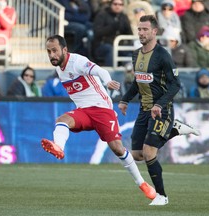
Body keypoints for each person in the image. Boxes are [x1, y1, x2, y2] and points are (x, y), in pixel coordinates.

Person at [42, 34, 157, 201]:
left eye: (54, 50)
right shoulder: (59, 69)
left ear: (64, 50)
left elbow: (99, 70)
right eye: (49, 51)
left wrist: (108, 81)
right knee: (62, 120)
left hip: (102, 110)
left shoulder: (77, 62)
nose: (52, 55)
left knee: (117, 148)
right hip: (83, 111)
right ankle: (58, 147)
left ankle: (142, 183)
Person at [118, 15, 200, 206]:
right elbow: (138, 82)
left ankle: (161, 196)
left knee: (148, 152)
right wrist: (124, 100)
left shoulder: (163, 55)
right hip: (144, 110)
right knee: (137, 154)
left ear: (155, 31)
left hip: (161, 110)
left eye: (145, 29)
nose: (141, 33)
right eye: (139, 29)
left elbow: (175, 85)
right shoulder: (136, 54)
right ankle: (175, 129)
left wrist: (159, 105)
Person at [92, 0, 132, 66]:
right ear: (111, 4)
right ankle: (111, 73)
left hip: (119, 45)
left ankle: (129, 71)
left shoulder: (124, 17)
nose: (117, 6)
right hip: (102, 45)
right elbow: (97, 32)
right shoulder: (102, 14)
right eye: (115, 4)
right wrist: (112, 26)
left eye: (120, 4)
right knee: (110, 49)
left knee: (129, 50)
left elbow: (130, 34)